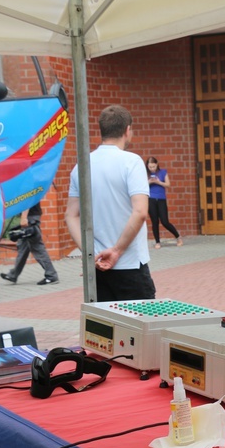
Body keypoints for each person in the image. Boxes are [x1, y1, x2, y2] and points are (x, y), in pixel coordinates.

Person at [65, 104, 156, 302]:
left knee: (104, 330)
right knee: (139, 328)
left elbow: (71, 216)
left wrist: (91, 253)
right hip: (130, 264)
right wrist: (116, 250)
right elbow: (140, 212)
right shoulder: (131, 162)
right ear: (127, 130)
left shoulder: (81, 166)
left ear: (102, 131)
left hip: (97, 266)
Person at [0, 202, 60, 285]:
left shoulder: (26, 188)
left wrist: (24, 217)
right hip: (31, 216)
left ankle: (51, 276)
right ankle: (13, 275)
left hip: (30, 218)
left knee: (37, 248)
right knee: (22, 248)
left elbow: (27, 199)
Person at [146, 156, 183, 249]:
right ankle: (157, 242)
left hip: (161, 199)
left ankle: (178, 236)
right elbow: (141, 186)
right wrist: (149, 182)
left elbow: (168, 185)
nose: (152, 169)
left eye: (153, 166)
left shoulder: (163, 172)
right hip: (151, 199)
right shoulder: (145, 174)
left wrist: (159, 182)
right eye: (150, 167)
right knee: (154, 221)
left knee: (165, 221)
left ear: (157, 164)